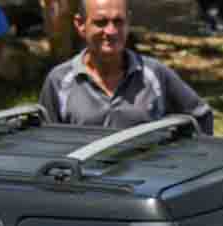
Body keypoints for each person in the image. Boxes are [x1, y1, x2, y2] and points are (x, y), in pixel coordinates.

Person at [39, 0, 212, 131]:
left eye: (118, 22)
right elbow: (45, 141)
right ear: (80, 25)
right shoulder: (60, 81)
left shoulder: (154, 75)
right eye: (101, 22)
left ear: (128, 22)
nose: (111, 31)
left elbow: (200, 116)